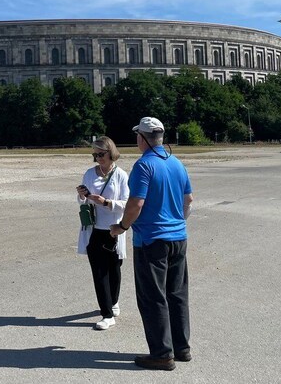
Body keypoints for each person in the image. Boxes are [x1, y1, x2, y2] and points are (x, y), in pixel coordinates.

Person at [110, 117, 194, 371]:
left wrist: (122, 227)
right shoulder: (176, 163)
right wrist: (176, 222)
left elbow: (136, 203)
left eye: (138, 135)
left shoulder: (144, 165)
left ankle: (161, 354)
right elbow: (188, 199)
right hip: (178, 238)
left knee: (153, 297)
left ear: (143, 138)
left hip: (152, 241)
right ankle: (182, 347)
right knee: (177, 294)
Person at [76, 136, 130, 330]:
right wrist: (83, 195)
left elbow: (127, 204)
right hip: (95, 229)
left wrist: (106, 202)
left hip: (114, 229)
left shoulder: (121, 175)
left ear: (111, 153)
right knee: (99, 273)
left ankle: (113, 302)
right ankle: (106, 314)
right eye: (95, 154)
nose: (98, 158)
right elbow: (82, 202)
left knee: (114, 269)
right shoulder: (90, 174)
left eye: (101, 154)